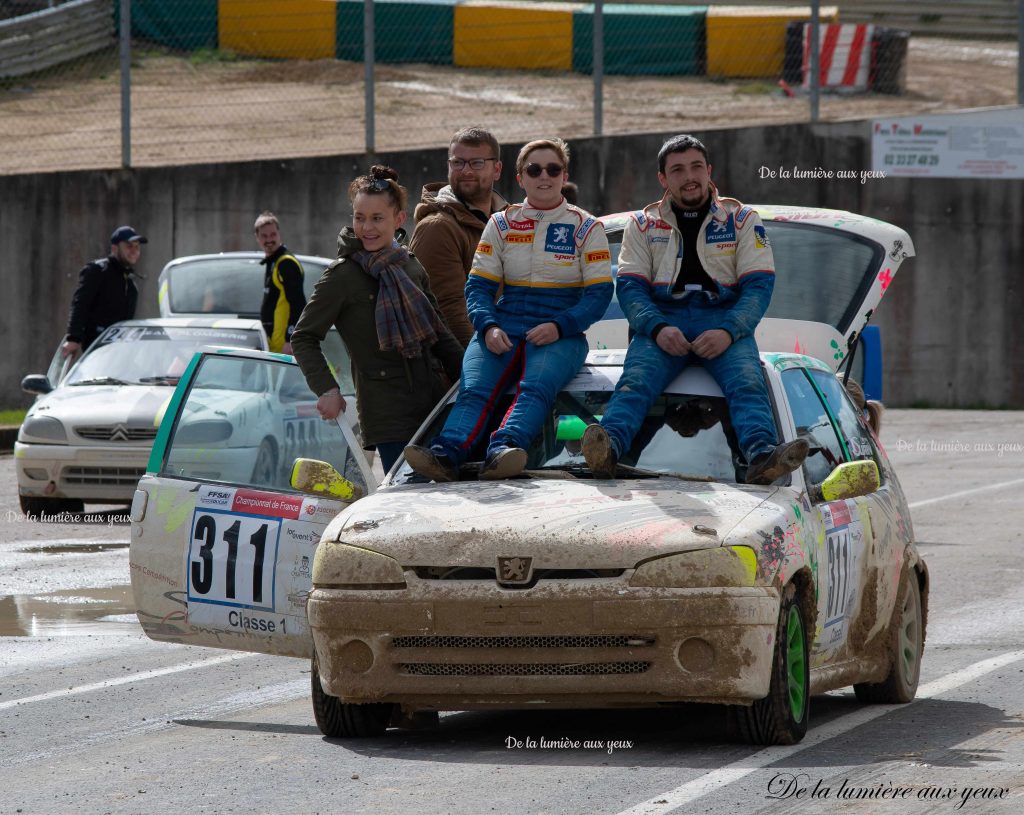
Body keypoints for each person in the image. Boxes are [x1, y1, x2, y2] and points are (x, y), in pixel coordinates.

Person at [581, 134, 809, 485]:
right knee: (634, 384)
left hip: (724, 319)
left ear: (709, 170)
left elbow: (759, 287)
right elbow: (629, 288)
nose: (689, 176)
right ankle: (607, 451)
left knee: (748, 384)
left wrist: (729, 331)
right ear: (663, 179)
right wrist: (657, 329)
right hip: (662, 321)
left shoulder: (743, 219)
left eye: (696, 167)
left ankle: (762, 457)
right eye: (677, 170)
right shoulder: (641, 225)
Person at [405, 138, 613, 482]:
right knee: (473, 388)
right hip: (504, 323)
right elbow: (479, 287)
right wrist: (487, 326)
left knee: (535, 387)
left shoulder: (587, 227)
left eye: (553, 169)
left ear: (565, 175)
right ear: (519, 178)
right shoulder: (501, 223)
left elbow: (599, 295)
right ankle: (445, 453)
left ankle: (505, 449)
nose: (543, 176)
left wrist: (559, 327)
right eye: (534, 169)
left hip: (561, 330)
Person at [290, 166, 463, 473]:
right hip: (387, 414)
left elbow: (440, 334)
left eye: (377, 218)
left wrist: (472, 377)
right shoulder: (341, 276)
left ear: (398, 219)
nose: (367, 227)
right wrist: (327, 389)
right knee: (408, 500)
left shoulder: (410, 265)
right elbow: (303, 336)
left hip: (435, 404)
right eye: (359, 217)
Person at [409, 126, 507, 348]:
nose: (466, 170)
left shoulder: (510, 222)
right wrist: (486, 366)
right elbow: (448, 313)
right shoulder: (437, 228)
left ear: (497, 169)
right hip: (474, 367)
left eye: (477, 163)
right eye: (458, 162)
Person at [61, 225, 146, 358]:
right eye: (129, 246)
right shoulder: (99, 270)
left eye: (137, 247)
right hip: (96, 351)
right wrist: (73, 339)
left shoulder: (130, 283)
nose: (134, 251)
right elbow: (80, 304)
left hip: (119, 352)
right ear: (114, 248)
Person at [255, 211, 306, 354]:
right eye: (264, 236)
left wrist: (290, 339)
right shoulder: (273, 261)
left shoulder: (286, 263)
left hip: (285, 347)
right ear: (257, 237)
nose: (269, 239)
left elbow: (299, 305)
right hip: (274, 344)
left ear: (279, 234)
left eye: (272, 234)